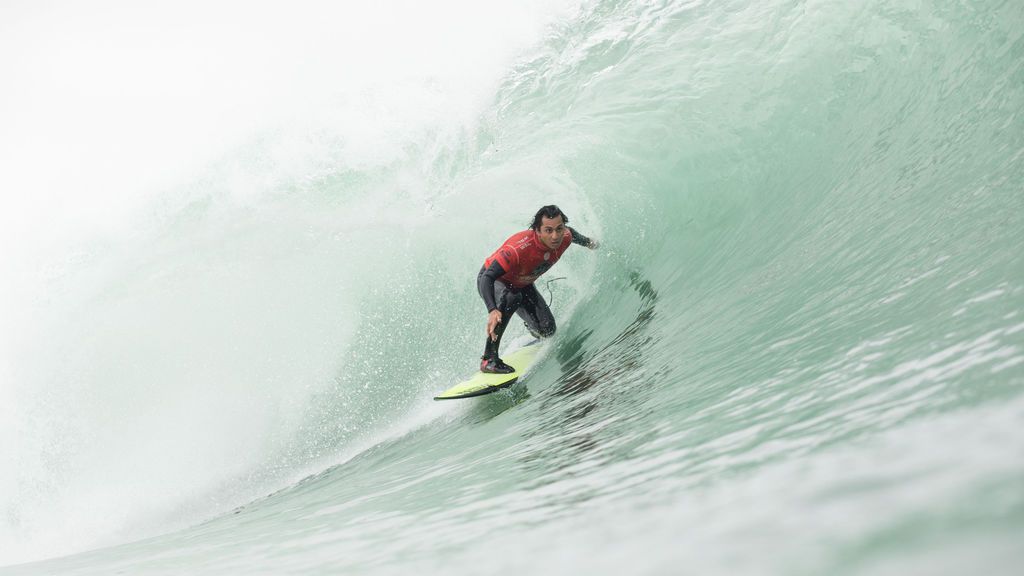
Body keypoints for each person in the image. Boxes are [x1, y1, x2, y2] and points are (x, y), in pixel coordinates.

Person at [476, 205, 598, 373]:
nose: (555, 236)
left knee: (548, 330)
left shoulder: (566, 236)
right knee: (511, 298)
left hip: (521, 284)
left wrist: (590, 243)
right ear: (537, 231)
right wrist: (492, 309)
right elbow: (486, 277)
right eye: (548, 230)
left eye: (559, 229)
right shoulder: (518, 249)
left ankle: (533, 330)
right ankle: (488, 360)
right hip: (494, 281)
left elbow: (573, 234)